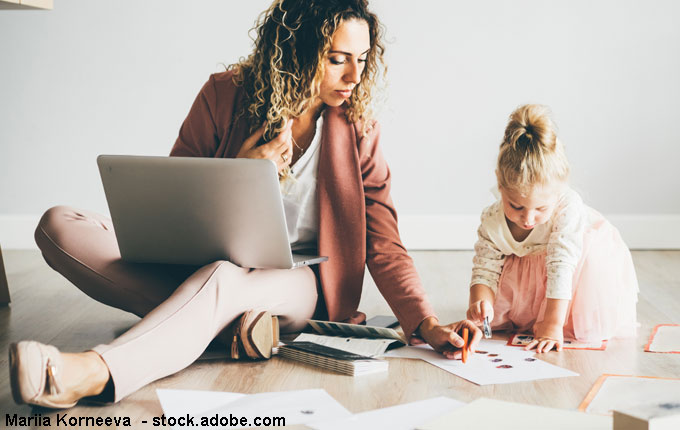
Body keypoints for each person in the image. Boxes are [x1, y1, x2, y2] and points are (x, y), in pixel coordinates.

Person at [9, 0, 481, 409]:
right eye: (337, 58)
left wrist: (427, 322)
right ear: (297, 49)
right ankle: (231, 328)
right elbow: (173, 193)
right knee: (59, 224)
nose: (355, 75)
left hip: (298, 280)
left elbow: (383, 241)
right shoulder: (224, 93)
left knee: (221, 280)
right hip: (202, 260)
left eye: (361, 59)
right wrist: (239, 168)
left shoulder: (359, 128)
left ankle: (90, 373)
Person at [466, 104, 638, 353]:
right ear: (500, 186)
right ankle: (532, 313)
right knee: (494, 304)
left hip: (574, 265)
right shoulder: (492, 219)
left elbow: (561, 266)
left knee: (569, 286)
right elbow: (485, 269)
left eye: (540, 209)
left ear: (559, 191)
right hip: (530, 267)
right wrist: (480, 301)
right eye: (516, 206)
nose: (528, 219)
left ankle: (551, 316)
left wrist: (553, 323)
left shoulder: (567, 208)